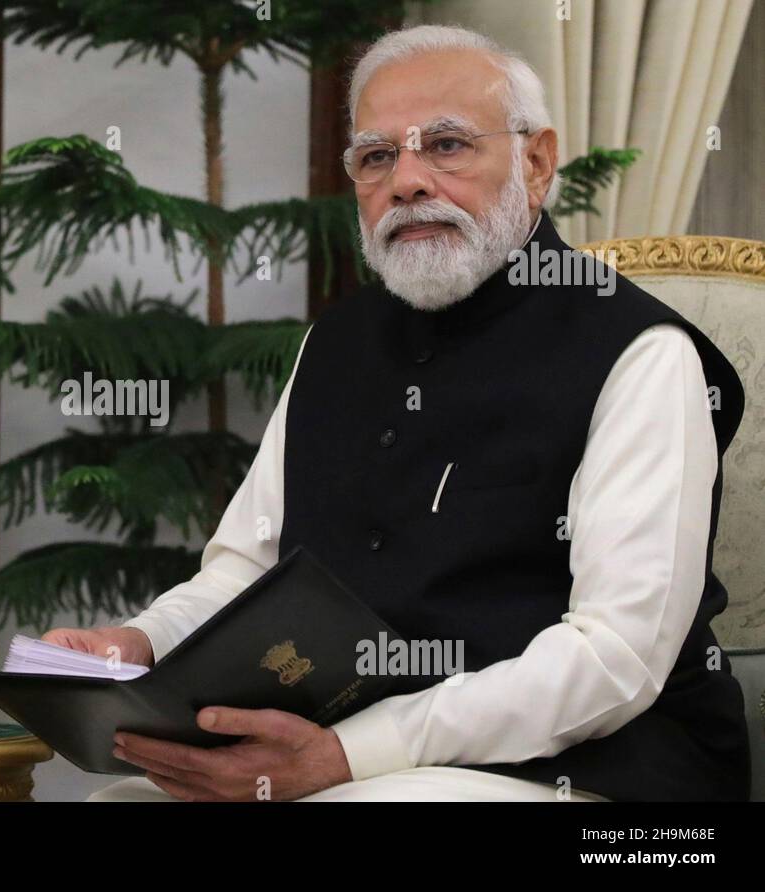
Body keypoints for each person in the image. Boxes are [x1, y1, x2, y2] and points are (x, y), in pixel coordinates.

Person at [42, 24, 751, 802]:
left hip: (596, 775)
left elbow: (614, 658)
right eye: (377, 156)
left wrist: (350, 755)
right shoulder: (336, 343)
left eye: (446, 145)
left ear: (536, 161)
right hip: (343, 755)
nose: (407, 180)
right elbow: (248, 569)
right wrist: (137, 643)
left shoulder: (638, 351)